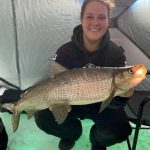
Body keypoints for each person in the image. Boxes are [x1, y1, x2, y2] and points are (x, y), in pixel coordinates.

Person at [34, 0, 133, 150]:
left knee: (121, 129)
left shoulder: (116, 55)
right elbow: (53, 81)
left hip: (101, 104)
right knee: (43, 118)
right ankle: (71, 134)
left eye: (101, 17)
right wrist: (54, 100)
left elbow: (116, 103)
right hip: (71, 102)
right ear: (81, 20)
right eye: (89, 17)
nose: (95, 22)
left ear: (108, 20)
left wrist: (124, 95)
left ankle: (98, 140)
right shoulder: (64, 51)